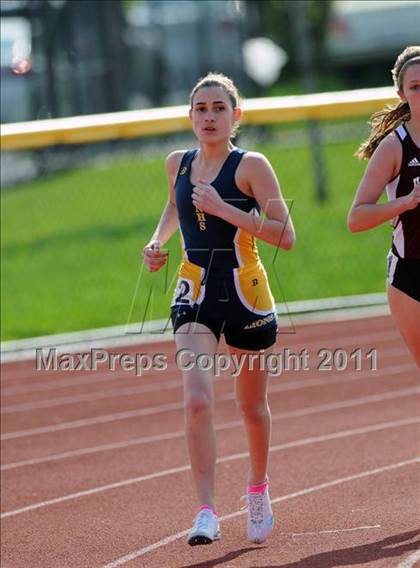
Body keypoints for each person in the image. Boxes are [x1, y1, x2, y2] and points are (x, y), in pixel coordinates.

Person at [142, 73, 295, 545]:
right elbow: (175, 206)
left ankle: (257, 489)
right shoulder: (177, 163)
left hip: (245, 294)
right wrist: (156, 240)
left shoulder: (251, 166)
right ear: (190, 116)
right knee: (197, 398)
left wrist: (227, 210)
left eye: (218, 108)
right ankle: (206, 509)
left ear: (236, 115)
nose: (209, 117)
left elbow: (284, 236)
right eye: (201, 109)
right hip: (195, 293)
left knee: (251, 407)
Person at [348, 46, 420, 370]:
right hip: (410, 275)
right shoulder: (395, 146)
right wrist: (405, 202)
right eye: (416, 87)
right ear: (402, 94)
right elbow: (356, 217)